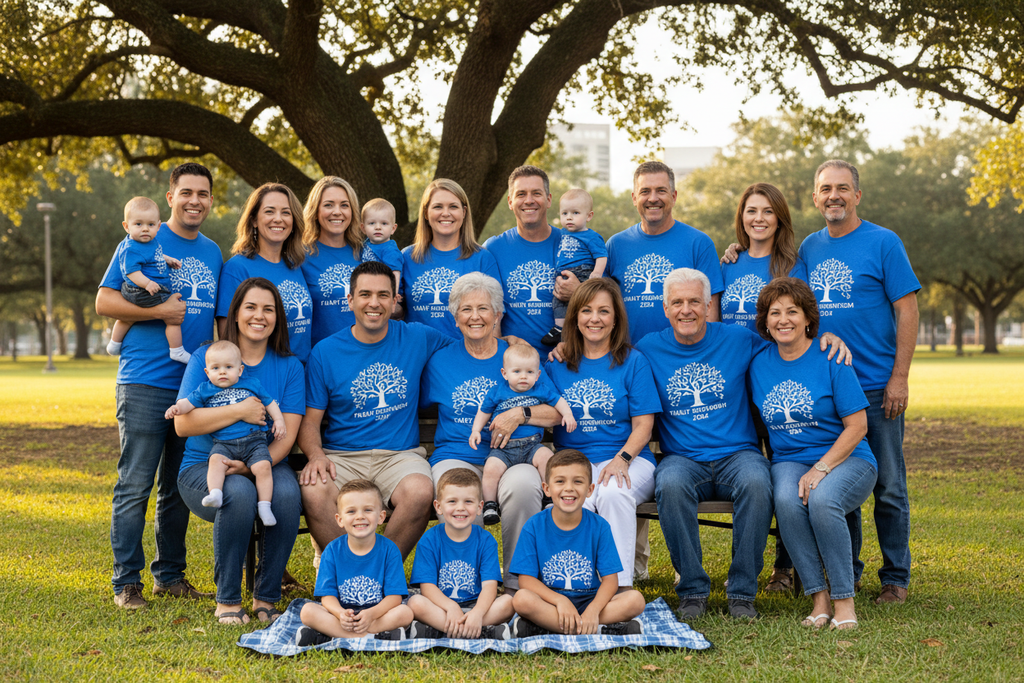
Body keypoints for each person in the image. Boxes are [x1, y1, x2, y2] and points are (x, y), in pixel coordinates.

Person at [636, 268, 850, 621]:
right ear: (665, 308)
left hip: (738, 454)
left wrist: (829, 338)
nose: (686, 310)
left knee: (756, 481)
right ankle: (692, 590)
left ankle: (741, 593)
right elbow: (609, 359)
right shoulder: (647, 349)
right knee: (670, 484)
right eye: (677, 302)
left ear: (708, 306)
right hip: (682, 458)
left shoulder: (738, 339)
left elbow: (791, 344)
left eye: (694, 302)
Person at [96, 162, 223, 610]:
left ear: (211, 199)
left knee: (176, 485)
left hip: (192, 387)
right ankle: (125, 582)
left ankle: (169, 576)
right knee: (135, 484)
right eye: (186, 192)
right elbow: (104, 300)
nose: (194, 200)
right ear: (171, 196)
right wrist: (160, 314)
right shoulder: (141, 237)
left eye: (203, 193)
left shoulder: (212, 251)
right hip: (145, 380)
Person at [799, 159, 920, 604]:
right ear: (815, 197)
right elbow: (794, 305)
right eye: (825, 188)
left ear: (857, 196)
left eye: (843, 188)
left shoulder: (884, 242)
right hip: (829, 392)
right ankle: (846, 571)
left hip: (875, 386)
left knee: (888, 485)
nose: (834, 196)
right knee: (839, 483)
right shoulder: (810, 249)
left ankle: (895, 577)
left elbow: (907, 309)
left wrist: (900, 378)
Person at [298, 261, 451, 560]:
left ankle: (381, 569)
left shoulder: (417, 337)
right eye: (365, 294)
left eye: (383, 295)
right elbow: (310, 421)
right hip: (342, 456)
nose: (374, 303)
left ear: (395, 301)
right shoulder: (325, 353)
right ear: (350, 300)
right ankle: (344, 571)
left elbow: (469, 348)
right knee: (315, 490)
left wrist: (507, 343)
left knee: (420, 491)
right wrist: (316, 456)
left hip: (399, 456)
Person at [419, 272, 563, 589]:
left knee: (525, 484)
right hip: (457, 455)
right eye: (466, 309)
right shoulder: (439, 361)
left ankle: (517, 582)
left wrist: (521, 414)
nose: (475, 317)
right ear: (455, 317)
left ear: (498, 315)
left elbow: (555, 412)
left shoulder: (520, 358)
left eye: (484, 309)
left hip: (514, 456)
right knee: (455, 492)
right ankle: (466, 584)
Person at [748, 278, 877, 630]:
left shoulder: (832, 356)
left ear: (808, 318)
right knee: (788, 500)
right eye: (775, 312)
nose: (783, 319)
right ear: (765, 320)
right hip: (789, 459)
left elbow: (858, 427)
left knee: (822, 500)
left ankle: (844, 601)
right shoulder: (758, 362)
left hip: (848, 458)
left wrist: (822, 467)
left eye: (793, 311)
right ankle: (818, 599)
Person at [174, 277, 305, 624]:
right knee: (239, 493)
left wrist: (251, 467)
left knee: (288, 493)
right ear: (235, 313)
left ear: (278, 317)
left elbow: (286, 437)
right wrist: (239, 411)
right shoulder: (208, 356)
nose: (258, 316)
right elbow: (183, 425)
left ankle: (266, 596)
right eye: (250, 307)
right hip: (205, 465)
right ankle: (228, 600)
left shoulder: (289, 366)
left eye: (268, 308)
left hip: (263, 458)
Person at [543, 278, 661, 588]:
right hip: (574, 461)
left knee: (612, 493)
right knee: (575, 497)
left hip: (630, 459)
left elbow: (643, 426)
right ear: (575, 317)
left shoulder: (633, 362)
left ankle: (619, 587)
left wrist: (621, 459)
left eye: (604, 311)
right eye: (586, 311)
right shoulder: (557, 364)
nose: (594, 319)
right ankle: (575, 586)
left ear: (616, 318)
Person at [720, 182, 807, 593]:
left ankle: (785, 569)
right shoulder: (728, 263)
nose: (758, 219)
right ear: (741, 217)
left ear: (780, 219)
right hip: (734, 382)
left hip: (778, 378)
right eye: (751, 211)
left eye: (768, 212)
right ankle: (746, 565)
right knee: (751, 473)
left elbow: (807, 317)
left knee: (785, 469)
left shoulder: (791, 264)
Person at [509, 449, 646, 637]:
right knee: (521, 599)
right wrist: (560, 601)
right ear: (546, 488)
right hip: (550, 603)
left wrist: (594, 610)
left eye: (578, 481)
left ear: (590, 490)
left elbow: (610, 580)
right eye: (560, 481)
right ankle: (598, 628)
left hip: (590, 601)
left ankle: (548, 627)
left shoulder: (599, 526)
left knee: (635, 600)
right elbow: (525, 580)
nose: (569, 488)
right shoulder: (533, 526)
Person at [164, 339, 286, 527]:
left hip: (255, 442)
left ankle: (264, 506)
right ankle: (216, 494)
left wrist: (278, 420)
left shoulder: (251, 384)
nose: (222, 372)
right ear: (207, 372)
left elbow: (269, 402)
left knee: (263, 467)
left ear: (240, 370)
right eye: (216, 368)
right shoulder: (205, 389)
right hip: (223, 444)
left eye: (228, 367)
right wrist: (176, 408)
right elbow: (188, 403)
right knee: (215, 462)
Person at [604, 161, 724, 342]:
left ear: (674, 196)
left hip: (679, 360)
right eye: (645, 191)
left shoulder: (699, 243)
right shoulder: (615, 245)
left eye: (661, 191)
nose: (653, 198)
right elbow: (600, 303)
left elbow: (711, 314)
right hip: (627, 360)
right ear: (634, 198)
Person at [469, 344, 576, 524]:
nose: (523, 377)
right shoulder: (498, 391)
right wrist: (475, 430)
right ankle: (489, 504)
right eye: (517, 371)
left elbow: (558, 401)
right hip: (503, 449)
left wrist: (567, 414)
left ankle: (549, 498)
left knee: (547, 458)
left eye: (529, 372)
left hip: (531, 446)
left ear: (538, 375)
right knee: (491, 469)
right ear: (505, 373)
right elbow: (484, 411)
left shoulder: (540, 390)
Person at [295, 480, 412, 645]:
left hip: (376, 616)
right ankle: (369, 637)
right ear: (340, 519)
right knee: (307, 611)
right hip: (343, 616)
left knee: (405, 613)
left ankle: (332, 635)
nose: (360, 516)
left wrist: (371, 615)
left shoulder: (389, 550)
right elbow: (327, 597)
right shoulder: (332, 550)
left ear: (381, 517)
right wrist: (340, 614)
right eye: (351, 511)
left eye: (368, 510)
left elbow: (394, 597)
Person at [407, 468, 515, 640]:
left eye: (468, 502)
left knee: (508, 602)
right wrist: (450, 607)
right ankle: (481, 631)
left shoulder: (486, 540)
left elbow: (489, 586)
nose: (460, 508)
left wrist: (478, 613)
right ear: (438, 506)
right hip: (441, 606)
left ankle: (441, 630)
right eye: (452, 501)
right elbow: (427, 587)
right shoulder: (430, 539)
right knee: (416, 603)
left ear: (480, 507)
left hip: (477, 605)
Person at [217, 183, 313, 363]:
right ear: (254, 220)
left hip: (301, 378)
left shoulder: (296, 266)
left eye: (286, 212)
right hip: (261, 379)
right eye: (269, 211)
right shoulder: (237, 268)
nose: (278, 219)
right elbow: (227, 337)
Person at [484, 165, 572, 353]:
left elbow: (603, 298)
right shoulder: (493, 249)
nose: (529, 201)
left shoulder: (572, 244)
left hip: (566, 360)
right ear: (510, 201)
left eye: (536, 193)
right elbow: (487, 309)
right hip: (514, 367)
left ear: (548, 200)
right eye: (521, 194)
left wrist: (580, 291)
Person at [401, 179, 501, 338]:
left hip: (466, 357)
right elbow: (395, 310)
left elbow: (495, 319)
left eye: (453, 206)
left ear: (464, 212)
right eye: (438, 207)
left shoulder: (483, 259)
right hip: (418, 356)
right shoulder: (407, 257)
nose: (445, 213)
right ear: (426, 213)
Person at [105, 196, 188, 363]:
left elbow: (154, 256)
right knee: (173, 317)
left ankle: (114, 344)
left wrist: (167, 259)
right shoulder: (131, 248)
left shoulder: (150, 243)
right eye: (138, 224)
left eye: (150, 225)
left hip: (143, 289)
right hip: (141, 289)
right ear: (126, 226)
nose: (145, 229)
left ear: (158, 225)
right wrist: (148, 283)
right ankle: (177, 350)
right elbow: (131, 273)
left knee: (128, 317)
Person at [300, 176, 364, 346]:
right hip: (319, 358)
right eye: (328, 205)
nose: (337, 212)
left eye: (344, 205)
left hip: (363, 354)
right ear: (315, 211)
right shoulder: (300, 256)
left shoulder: (365, 254)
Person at [541, 188, 608, 346]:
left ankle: (576, 331)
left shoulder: (591, 236)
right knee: (557, 300)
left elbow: (601, 256)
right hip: (563, 273)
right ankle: (559, 328)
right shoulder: (563, 233)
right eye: (564, 213)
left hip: (582, 271)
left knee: (580, 303)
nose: (569, 218)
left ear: (589, 216)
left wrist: (597, 273)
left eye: (575, 213)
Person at [359, 197, 405, 299]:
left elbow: (395, 274)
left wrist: (392, 295)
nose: (378, 227)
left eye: (384, 223)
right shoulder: (365, 244)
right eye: (372, 223)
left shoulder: (390, 251)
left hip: (385, 293)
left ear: (393, 229)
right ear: (363, 228)